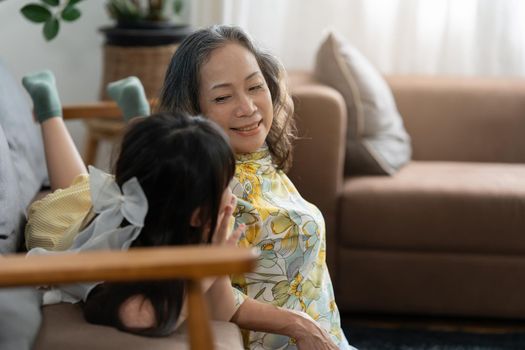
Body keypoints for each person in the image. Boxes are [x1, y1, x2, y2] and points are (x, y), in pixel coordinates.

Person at [157, 25, 355, 350]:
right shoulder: (212, 184)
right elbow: (212, 299)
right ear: (192, 111)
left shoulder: (256, 157)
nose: (247, 107)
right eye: (222, 97)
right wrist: (300, 325)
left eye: (255, 86)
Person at [21, 70, 244, 336]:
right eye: (225, 185)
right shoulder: (110, 262)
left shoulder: (162, 209)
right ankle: (49, 110)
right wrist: (209, 269)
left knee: (103, 181)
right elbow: (144, 318)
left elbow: (222, 313)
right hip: (61, 232)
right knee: (73, 191)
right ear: (195, 214)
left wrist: (215, 257)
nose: (233, 195)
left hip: (109, 210)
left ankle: (136, 113)